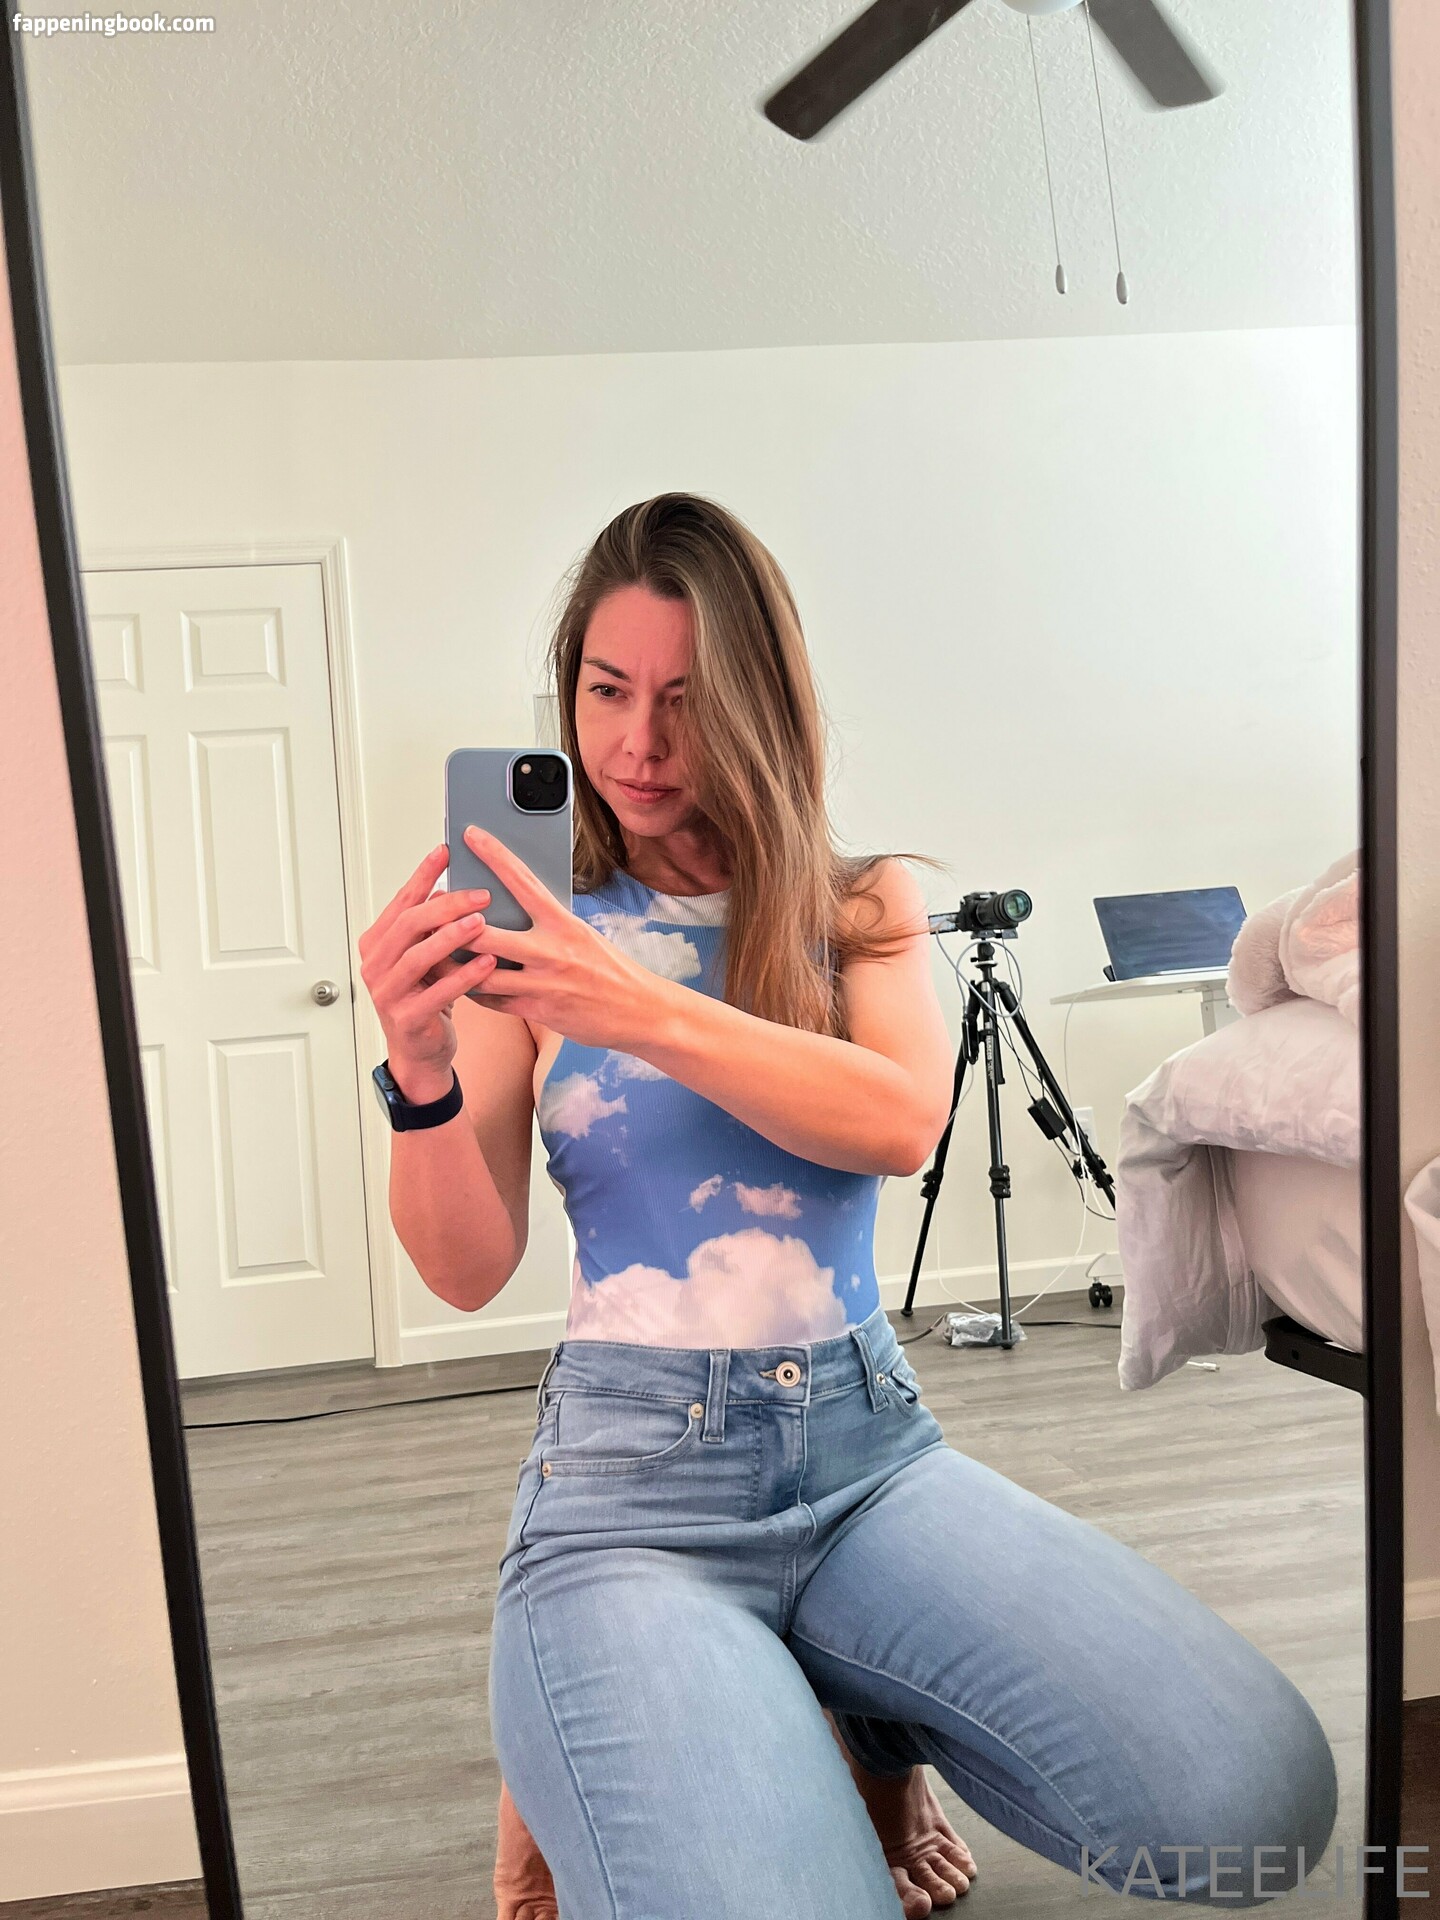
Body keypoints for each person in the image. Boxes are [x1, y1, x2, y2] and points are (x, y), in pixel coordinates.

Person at [359, 494, 1337, 1917]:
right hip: (629, 1490)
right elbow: (463, 1268)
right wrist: (420, 1069)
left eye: (687, 700)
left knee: (1251, 1799)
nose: (638, 745)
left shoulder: (856, 905)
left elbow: (897, 1120)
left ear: (760, 706)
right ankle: (589, 1701)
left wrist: (633, 1007)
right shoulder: (531, 941)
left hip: (870, 1456)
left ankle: (859, 1710)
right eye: (608, 690)